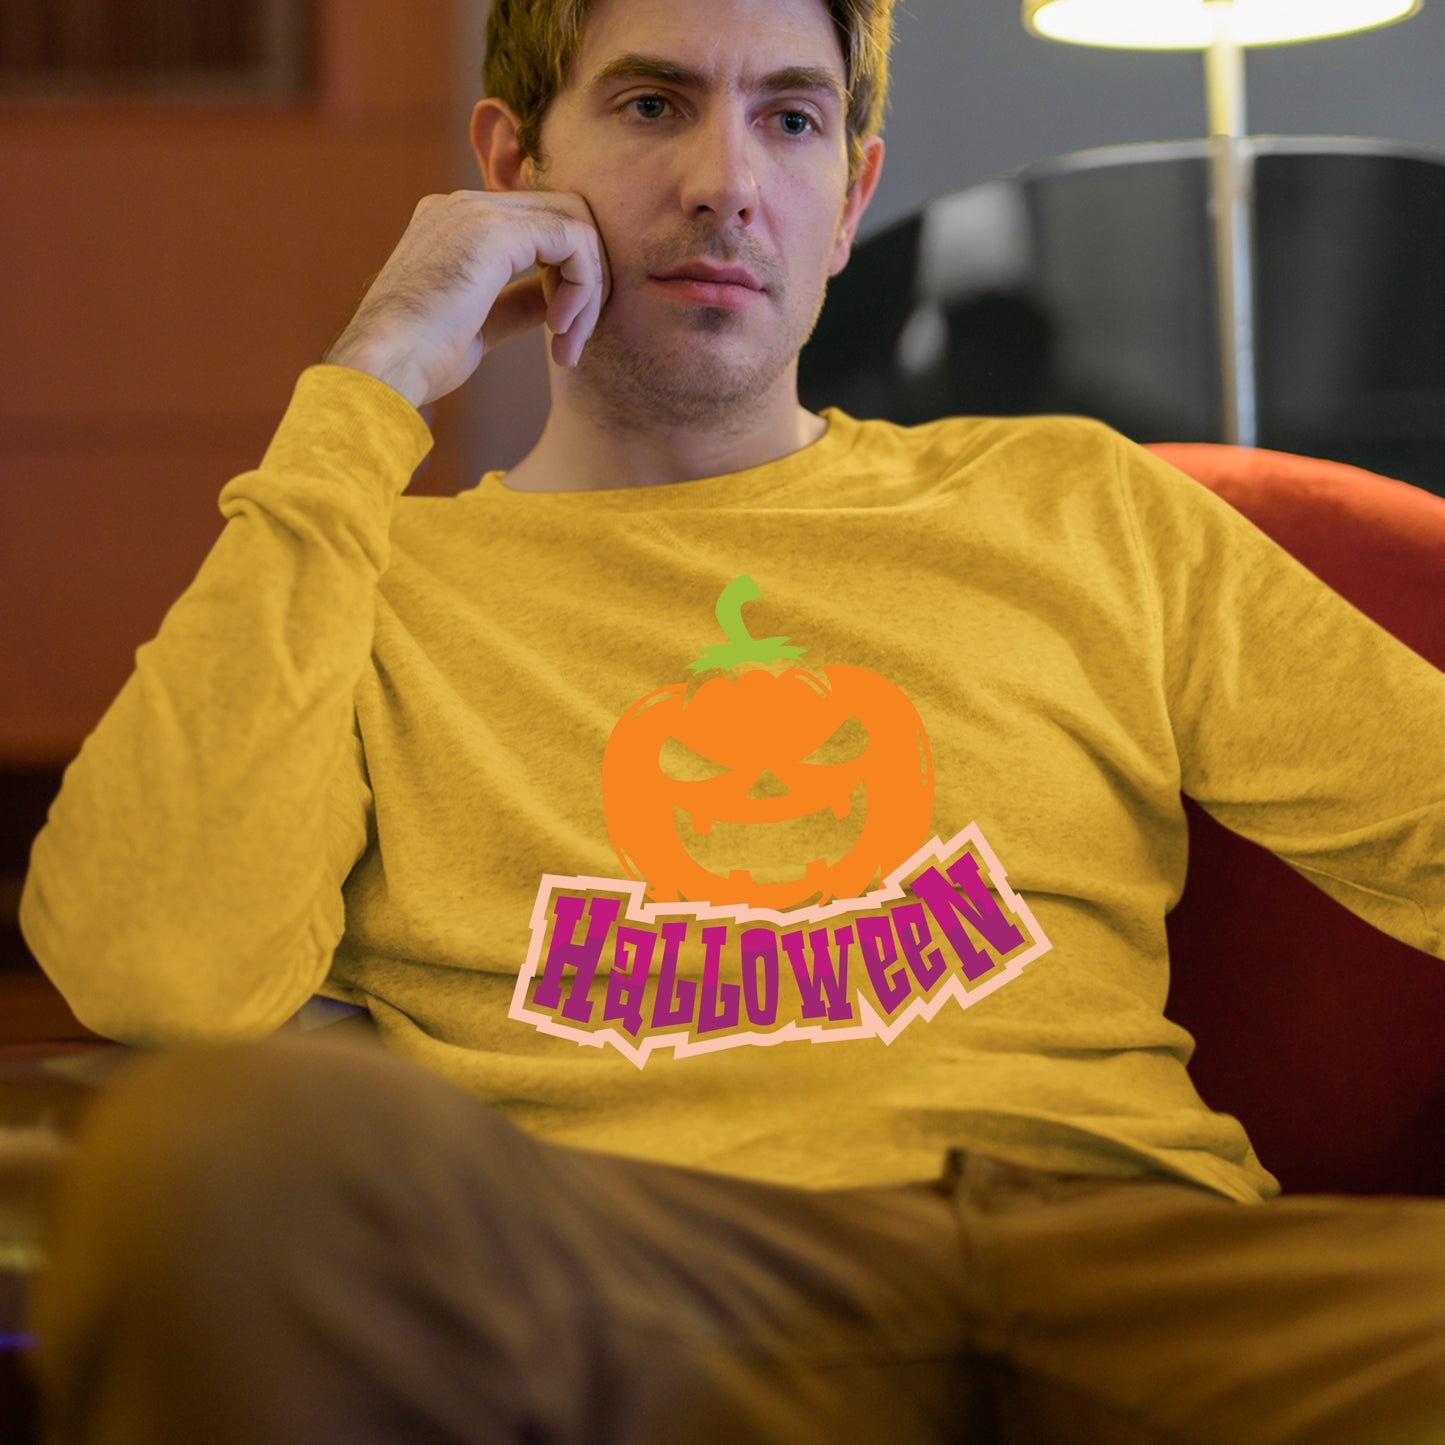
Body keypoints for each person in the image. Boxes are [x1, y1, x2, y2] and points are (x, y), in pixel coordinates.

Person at [16, 0, 1445, 1440]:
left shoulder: (1081, 506)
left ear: (850, 197)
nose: (725, 181)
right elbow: (153, 960)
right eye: (651, 106)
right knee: (210, 1154)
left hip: (1139, 1258)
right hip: (646, 1277)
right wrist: (372, 377)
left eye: (790, 118)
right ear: (510, 165)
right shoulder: (364, 584)